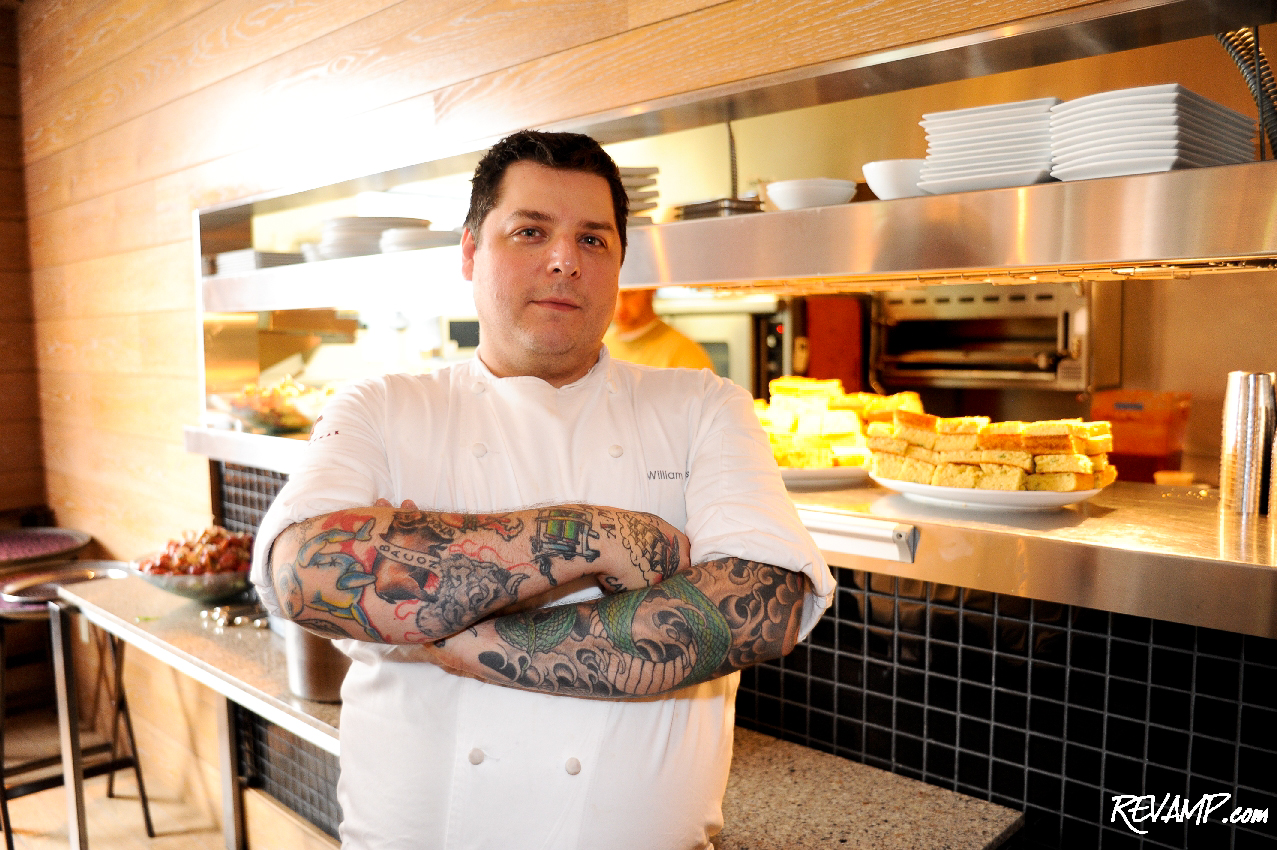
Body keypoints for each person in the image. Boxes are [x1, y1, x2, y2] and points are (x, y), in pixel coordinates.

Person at [250, 129, 834, 850]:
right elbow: (305, 574)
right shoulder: (382, 406)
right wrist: (597, 537)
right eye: (530, 231)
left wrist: (469, 637)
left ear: (619, 264)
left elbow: (763, 606)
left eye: (593, 239)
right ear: (470, 252)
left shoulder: (704, 407)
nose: (564, 260)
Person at [603, 287, 715, 370]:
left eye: (630, 293)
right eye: (612, 293)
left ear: (651, 291)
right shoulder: (600, 347)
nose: (620, 304)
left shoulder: (685, 353)